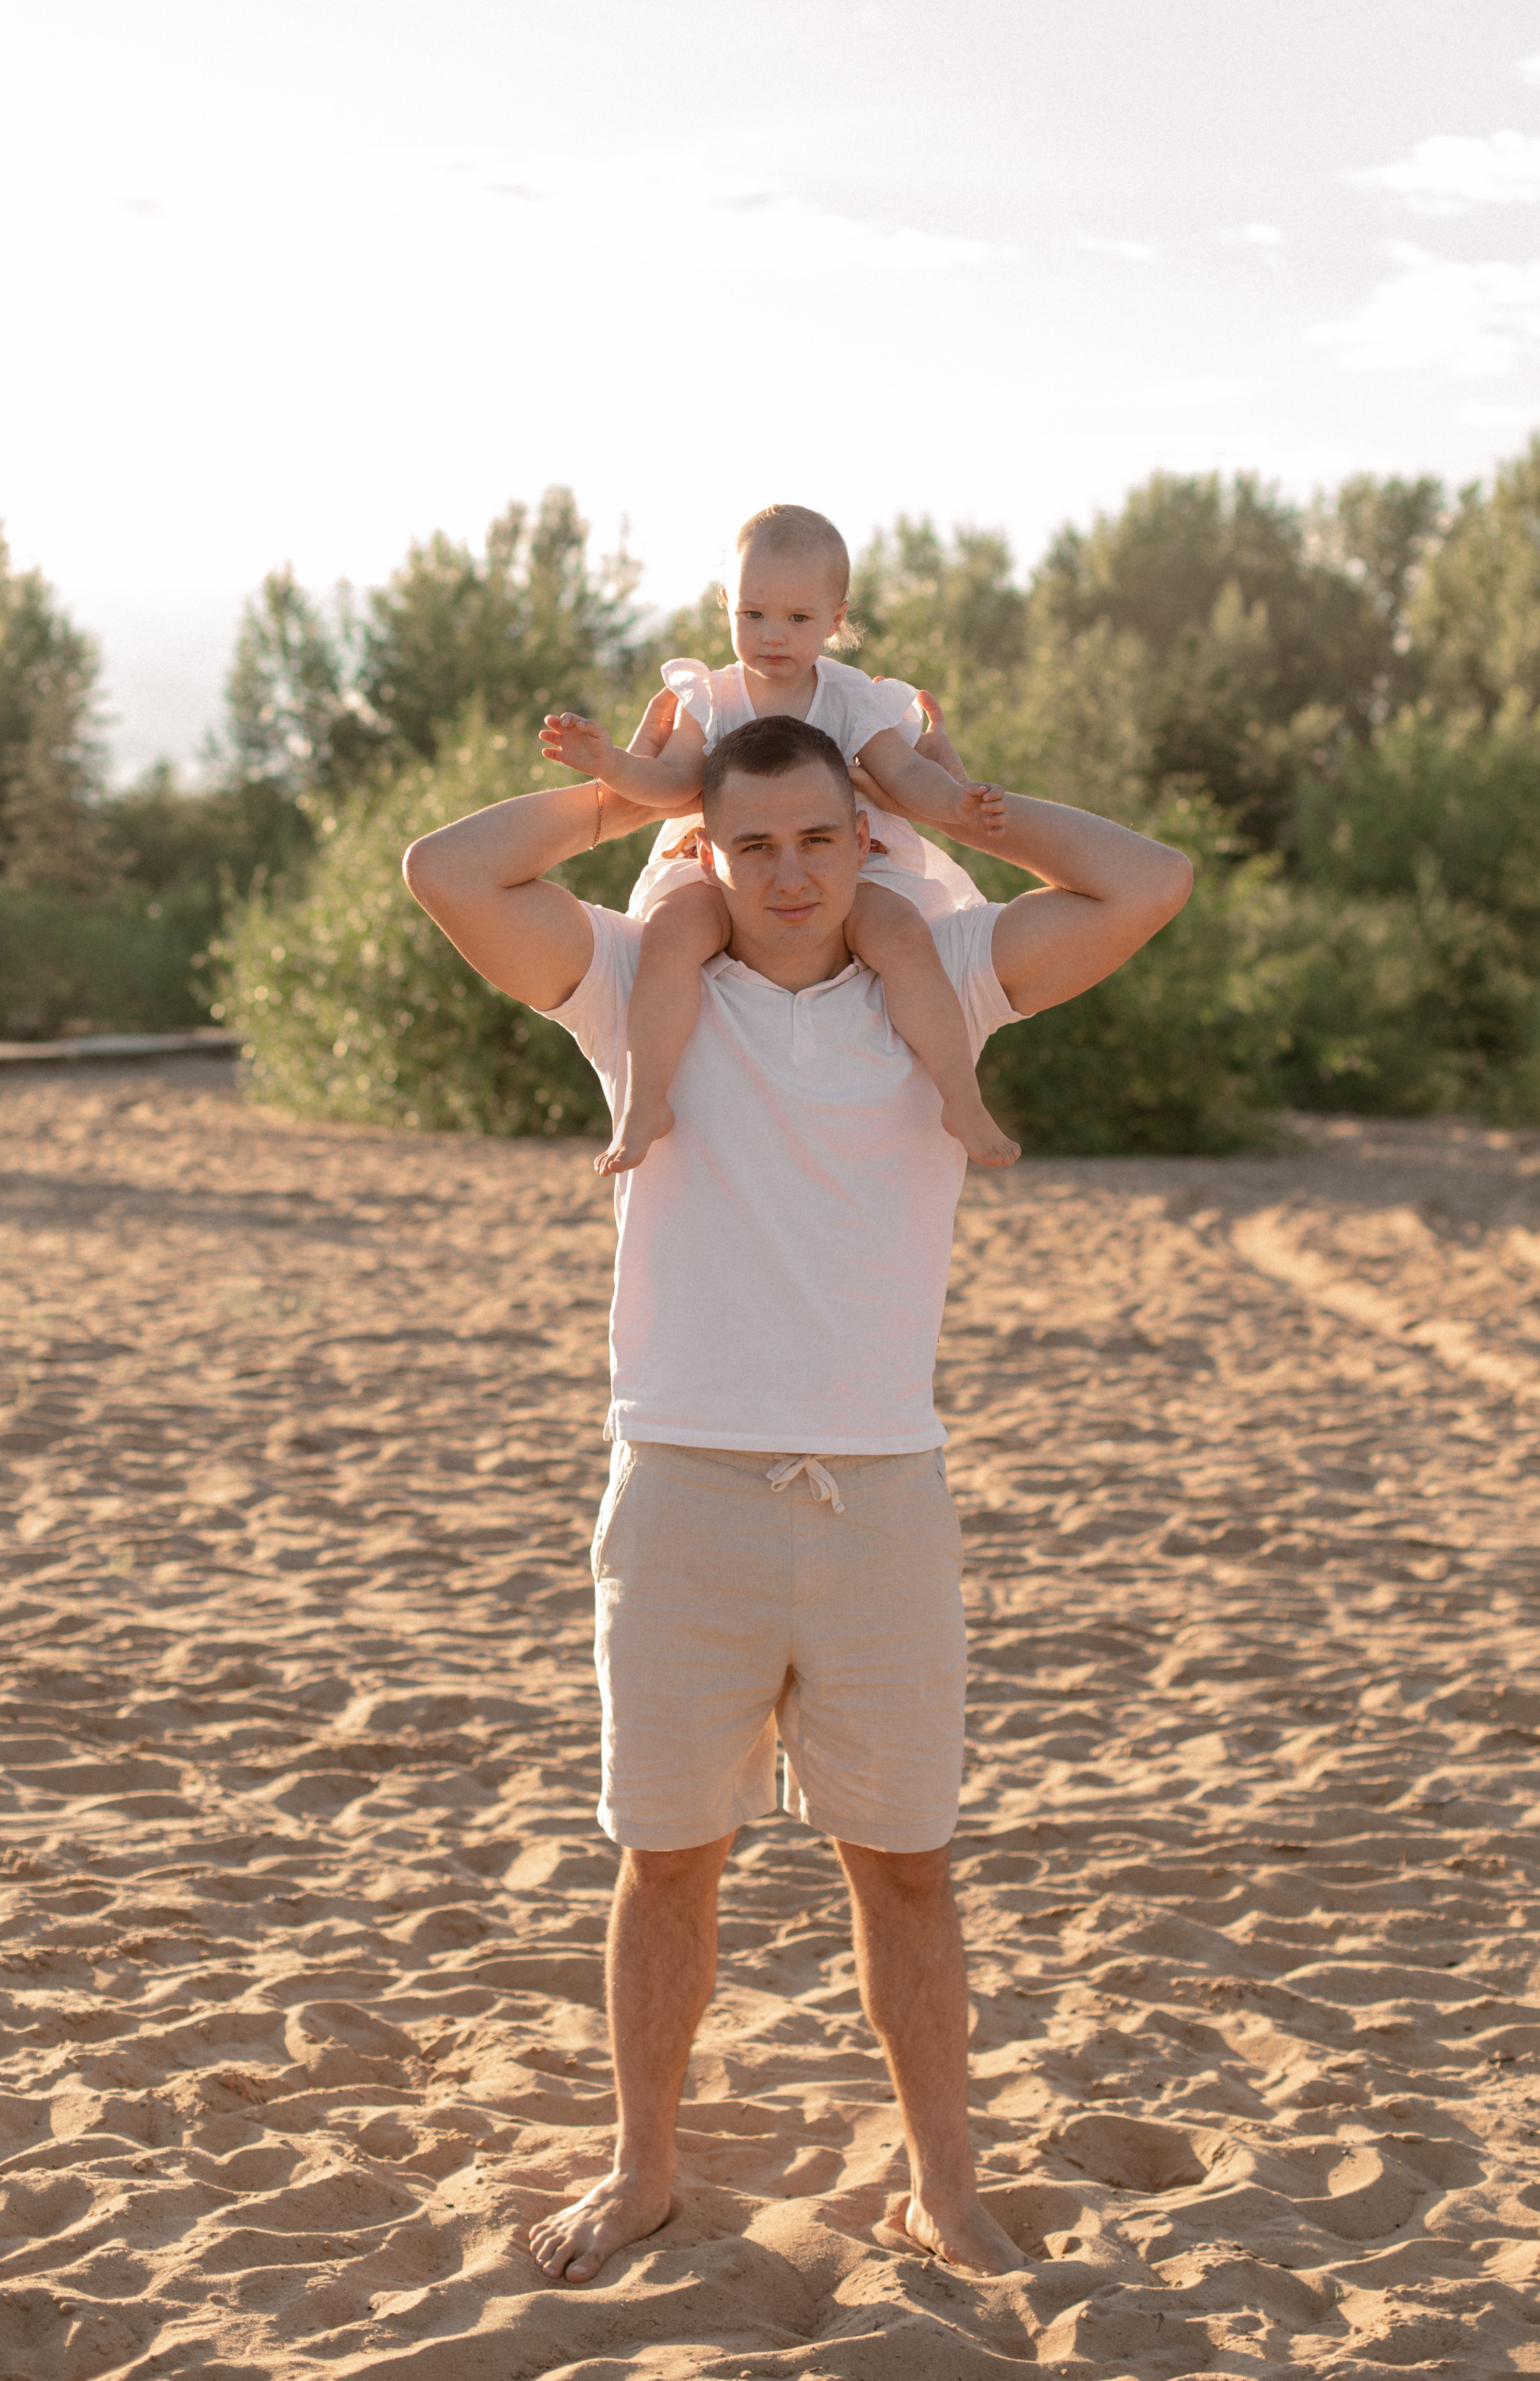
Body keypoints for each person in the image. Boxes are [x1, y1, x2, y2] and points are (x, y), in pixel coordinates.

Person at [402, 689, 1192, 2284]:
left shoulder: (940, 980)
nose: (787, 875)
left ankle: (941, 2187)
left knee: (904, 1865)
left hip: (881, 1494)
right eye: (751, 843)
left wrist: (954, 803)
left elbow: (1147, 881)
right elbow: (447, 871)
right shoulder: (633, 984)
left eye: (819, 840)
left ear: (860, 842)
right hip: (679, 1482)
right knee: (665, 1859)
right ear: (710, 849)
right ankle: (641, 2168)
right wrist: (636, 796)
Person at [539, 502, 1020, 1176]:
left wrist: (955, 800)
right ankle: (645, 1099)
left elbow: (904, 776)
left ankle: (961, 1098)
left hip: (844, 866)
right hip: (724, 864)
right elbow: (672, 783)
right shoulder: (712, 697)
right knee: (671, 933)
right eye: (753, 614)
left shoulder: (851, 697)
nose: (772, 636)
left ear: (835, 619)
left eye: (798, 619)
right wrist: (610, 764)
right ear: (725, 603)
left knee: (903, 935)